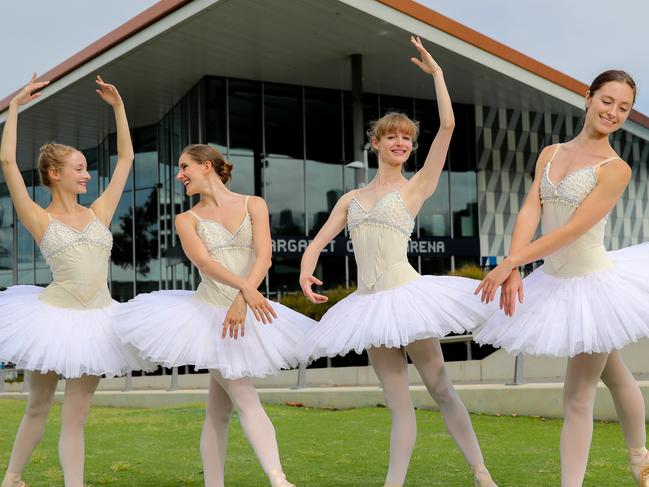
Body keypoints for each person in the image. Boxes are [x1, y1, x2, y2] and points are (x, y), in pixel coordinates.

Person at [298, 37, 497, 487]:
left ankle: (481, 472)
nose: (402, 143)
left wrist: (438, 76)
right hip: (369, 306)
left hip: (407, 297)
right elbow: (319, 240)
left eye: (407, 138)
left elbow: (447, 128)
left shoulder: (415, 188)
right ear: (376, 143)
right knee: (398, 403)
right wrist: (307, 267)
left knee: (441, 388)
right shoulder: (350, 198)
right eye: (393, 137)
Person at [474, 70, 649, 487]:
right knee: (614, 371)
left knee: (577, 395)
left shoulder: (616, 168)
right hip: (553, 278)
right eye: (607, 101)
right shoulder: (550, 152)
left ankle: (615, 469)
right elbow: (531, 209)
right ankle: (642, 459)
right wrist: (513, 264)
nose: (613, 112)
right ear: (587, 98)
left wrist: (511, 261)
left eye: (623, 107)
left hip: (592, 285)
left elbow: (570, 230)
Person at [114, 144, 313, 487]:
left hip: (243, 312)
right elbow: (205, 264)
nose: (180, 176)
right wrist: (247, 292)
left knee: (218, 412)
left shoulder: (254, 204)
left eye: (184, 167)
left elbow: (264, 256)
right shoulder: (186, 219)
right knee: (244, 396)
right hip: (208, 317)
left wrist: (242, 298)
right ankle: (278, 479)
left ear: (206, 166)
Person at [0, 75, 150, 487]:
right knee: (38, 405)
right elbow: (9, 164)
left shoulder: (99, 210)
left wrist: (119, 109)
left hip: (98, 321)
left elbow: (125, 160)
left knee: (75, 416)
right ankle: (11, 478)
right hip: (51, 320)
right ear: (53, 173)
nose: (87, 175)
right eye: (80, 169)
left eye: (87, 168)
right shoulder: (38, 216)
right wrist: (13, 109)